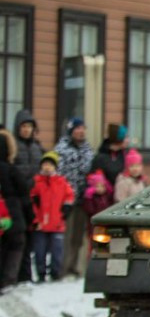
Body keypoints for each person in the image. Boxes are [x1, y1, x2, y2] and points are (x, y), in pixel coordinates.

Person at [54, 117, 94, 278]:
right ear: (71, 131)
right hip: (66, 201)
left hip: (83, 200)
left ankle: (75, 267)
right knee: (66, 236)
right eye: (77, 128)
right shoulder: (61, 150)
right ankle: (62, 268)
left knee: (78, 237)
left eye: (83, 128)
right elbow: (58, 176)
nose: (81, 131)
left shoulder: (88, 150)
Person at [29, 151, 74, 282]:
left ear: (55, 167)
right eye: (45, 164)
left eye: (50, 165)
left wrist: (66, 210)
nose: (47, 167)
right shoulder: (36, 182)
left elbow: (69, 196)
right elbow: (32, 200)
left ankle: (56, 272)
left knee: (57, 251)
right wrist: (35, 218)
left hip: (57, 222)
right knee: (39, 251)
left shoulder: (61, 182)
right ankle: (41, 273)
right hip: (40, 223)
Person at [12, 109, 43, 283]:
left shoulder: (37, 148)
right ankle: (18, 274)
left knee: (31, 238)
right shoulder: (14, 146)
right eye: (23, 126)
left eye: (29, 126)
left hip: (35, 199)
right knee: (19, 237)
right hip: (19, 197)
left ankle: (26, 274)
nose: (26, 130)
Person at [0, 129, 29, 291]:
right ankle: (9, 282)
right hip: (14, 214)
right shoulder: (12, 170)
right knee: (15, 248)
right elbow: (24, 193)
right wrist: (30, 217)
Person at [91, 123, 129, 189]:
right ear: (118, 139)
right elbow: (92, 179)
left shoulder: (125, 155)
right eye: (126, 137)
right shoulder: (100, 158)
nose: (128, 140)